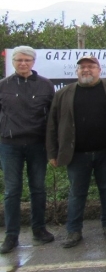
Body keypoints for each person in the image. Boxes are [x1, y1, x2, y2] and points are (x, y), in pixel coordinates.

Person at [47, 55, 106, 248]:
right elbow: (52, 125)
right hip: (76, 155)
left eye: (91, 66)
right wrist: (52, 153)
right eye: (82, 67)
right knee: (77, 194)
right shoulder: (63, 93)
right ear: (76, 71)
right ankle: (73, 231)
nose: (86, 70)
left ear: (99, 69)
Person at [0, 46, 55, 254]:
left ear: (33, 62)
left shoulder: (45, 85)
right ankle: (11, 235)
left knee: (38, 188)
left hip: (37, 145)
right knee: (12, 191)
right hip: (9, 145)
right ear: (13, 62)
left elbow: (52, 117)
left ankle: (39, 229)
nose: (23, 63)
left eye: (27, 60)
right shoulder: (3, 85)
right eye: (19, 60)